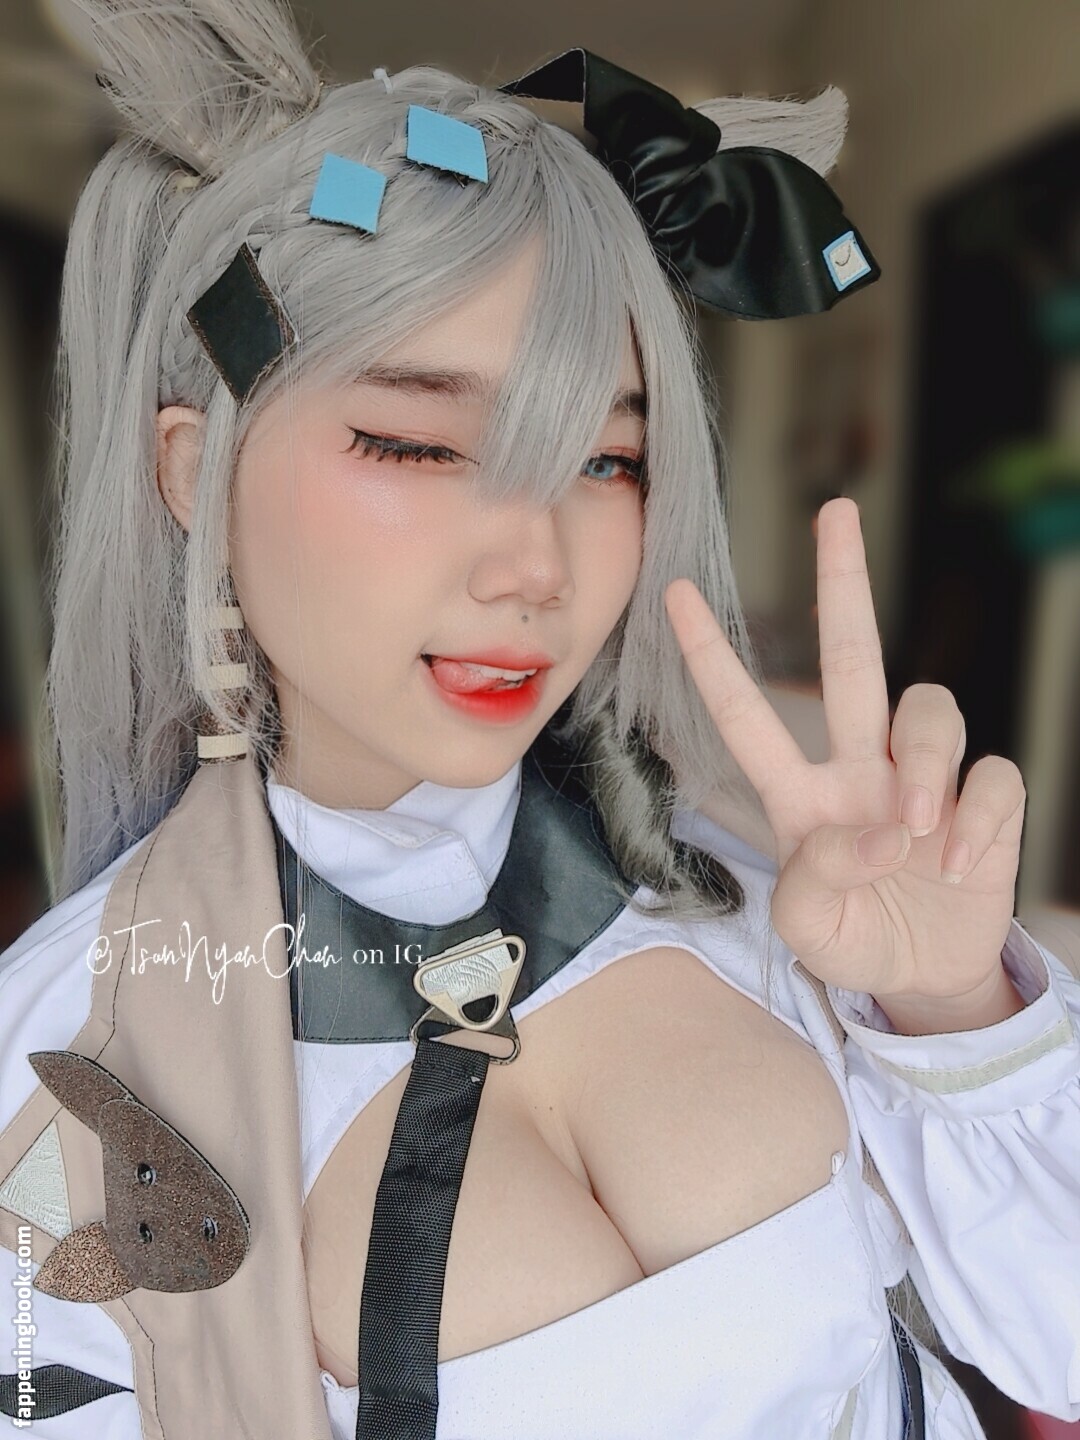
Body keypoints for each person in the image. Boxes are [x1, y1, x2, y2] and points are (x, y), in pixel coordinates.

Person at [0, 2, 1077, 1437]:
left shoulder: (771, 881)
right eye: (414, 442)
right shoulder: (68, 1061)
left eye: (605, 460)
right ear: (195, 472)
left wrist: (953, 1008)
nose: (536, 567)